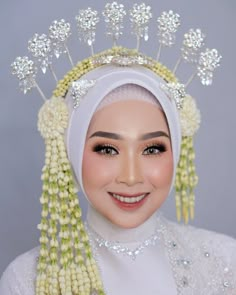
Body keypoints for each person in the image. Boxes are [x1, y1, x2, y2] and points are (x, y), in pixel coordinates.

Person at [0, 3, 236, 295]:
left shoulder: (226, 261)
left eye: (152, 149)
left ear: (176, 151)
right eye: (107, 149)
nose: (131, 176)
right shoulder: (27, 279)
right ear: (70, 153)